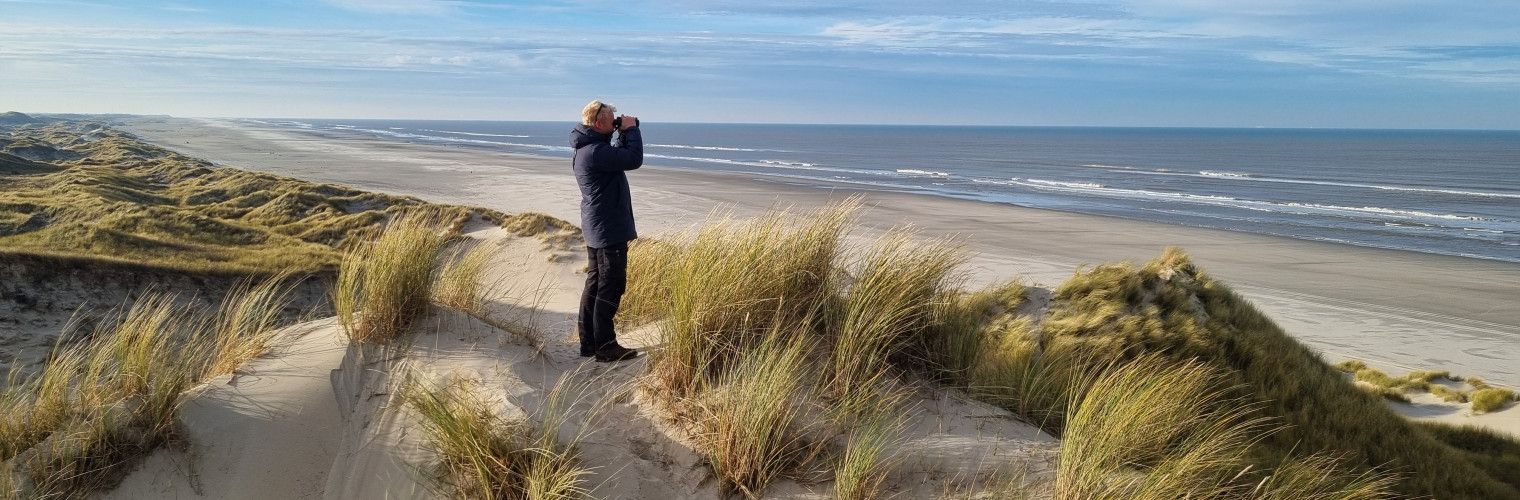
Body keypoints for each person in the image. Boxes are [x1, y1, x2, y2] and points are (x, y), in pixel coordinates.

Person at [570, 100, 642, 362]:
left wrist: (621, 133)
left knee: (595, 284)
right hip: (608, 228)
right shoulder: (596, 152)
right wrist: (631, 129)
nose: (614, 125)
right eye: (611, 121)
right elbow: (633, 159)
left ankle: (589, 343)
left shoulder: (587, 148)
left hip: (597, 227)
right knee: (610, 286)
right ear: (599, 122)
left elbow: (619, 159)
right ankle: (606, 346)